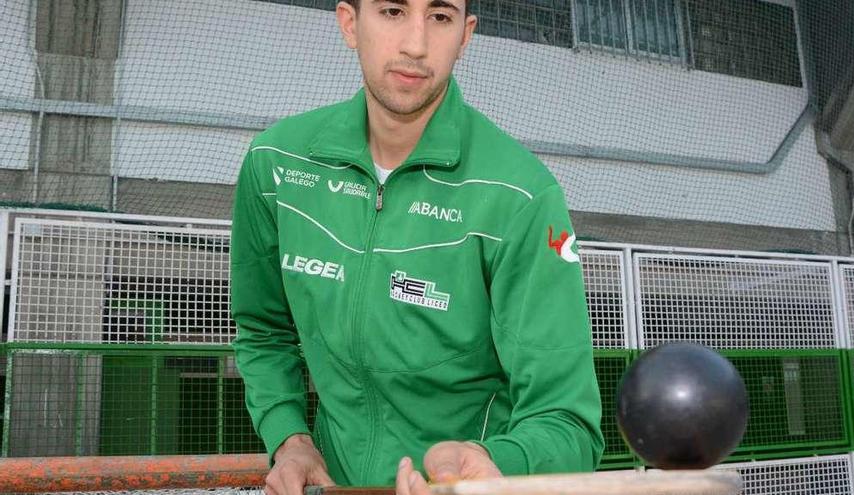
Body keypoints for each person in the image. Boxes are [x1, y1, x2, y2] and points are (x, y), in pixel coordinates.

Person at [230, 1, 604, 494]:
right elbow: (263, 332)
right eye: (391, 11)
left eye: (440, 17)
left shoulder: (522, 195)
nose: (416, 44)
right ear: (349, 23)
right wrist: (289, 438)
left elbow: (568, 423)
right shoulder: (275, 163)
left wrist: (492, 462)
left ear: (465, 35)